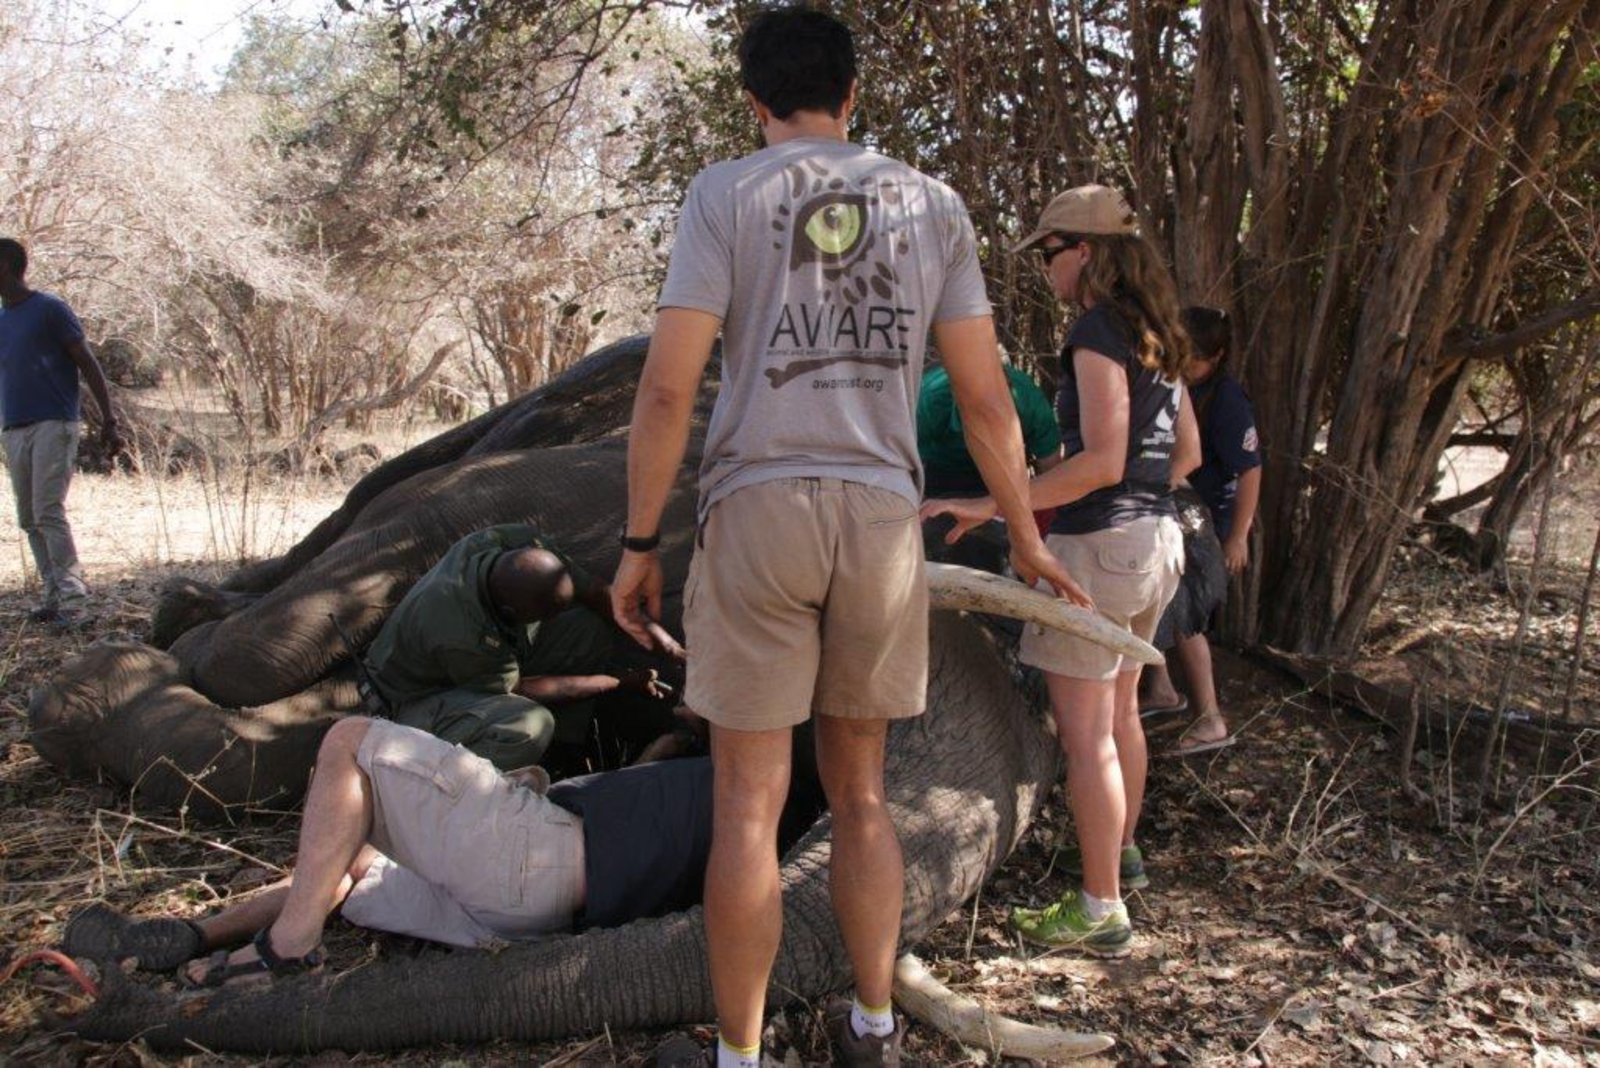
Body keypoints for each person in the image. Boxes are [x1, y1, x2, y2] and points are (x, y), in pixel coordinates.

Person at [607, 8, 1085, 1066]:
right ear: (853, 94)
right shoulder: (931, 204)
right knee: (862, 793)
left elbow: (668, 389)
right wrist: (1026, 533)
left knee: (748, 806)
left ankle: (739, 1056)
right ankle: (873, 1029)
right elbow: (984, 400)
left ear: (753, 100)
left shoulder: (723, 194)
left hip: (757, 515)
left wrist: (639, 543)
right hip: (879, 523)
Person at [924, 185, 1200, 956]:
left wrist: (994, 503)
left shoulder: (1097, 330)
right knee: (1121, 716)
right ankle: (1122, 856)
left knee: (1086, 738)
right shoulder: (1158, 333)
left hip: (1100, 549)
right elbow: (1187, 455)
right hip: (1157, 541)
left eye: (1050, 253)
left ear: (1086, 250)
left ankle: (1100, 907)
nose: (1046, 270)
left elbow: (1101, 460)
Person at [60, 718, 751, 984]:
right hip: (530, 917)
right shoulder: (726, 813)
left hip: (539, 854)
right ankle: (196, 935)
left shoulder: (743, 771)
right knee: (348, 864)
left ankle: (288, 946)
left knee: (350, 740)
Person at [363, 524, 684, 772]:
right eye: (541, 617)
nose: (549, 623)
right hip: (414, 697)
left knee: (586, 630)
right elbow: (528, 689)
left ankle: (561, 752)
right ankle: (469, 790)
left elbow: (590, 590)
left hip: (477, 653)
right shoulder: (461, 633)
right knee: (529, 725)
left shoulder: (513, 541)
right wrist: (620, 681)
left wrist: (659, 638)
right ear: (509, 612)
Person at [1141, 306, 1261, 755]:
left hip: (1203, 518)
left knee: (1187, 614)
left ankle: (1210, 717)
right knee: (1158, 601)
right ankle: (1163, 688)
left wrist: (1238, 535)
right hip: (1172, 509)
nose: (1185, 366)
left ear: (1217, 357)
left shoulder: (1226, 399)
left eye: (1195, 360)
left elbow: (1250, 470)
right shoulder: (1170, 381)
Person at [0, 238, 123, 627]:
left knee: (48, 510)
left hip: (53, 422)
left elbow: (87, 362)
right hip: (14, 427)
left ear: (6, 265)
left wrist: (109, 420)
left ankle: (74, 599)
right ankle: (53, 594)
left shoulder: (49, 309)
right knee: (28, 516)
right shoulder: (2, 319)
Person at [917, 361, 1063, 574]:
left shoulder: (1030, 402)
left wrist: (1039, 535)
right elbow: (909, 473)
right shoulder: (927, 402)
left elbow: (1052, 471)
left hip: (1003, 470)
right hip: (940, 471)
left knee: (996, 552)